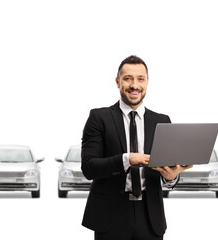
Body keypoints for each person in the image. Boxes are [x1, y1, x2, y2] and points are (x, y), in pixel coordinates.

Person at [81, 55, 193, 240]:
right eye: (128, 78)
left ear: (147, 82)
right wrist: (127, 159)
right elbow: (89, 168)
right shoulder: (99, 118)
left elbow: (169, 171)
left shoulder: (162, 122)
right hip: (110, 214)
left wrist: (171, 177)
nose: (135, 85)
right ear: (118, 82)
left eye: (140, 79)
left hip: (150, 216)